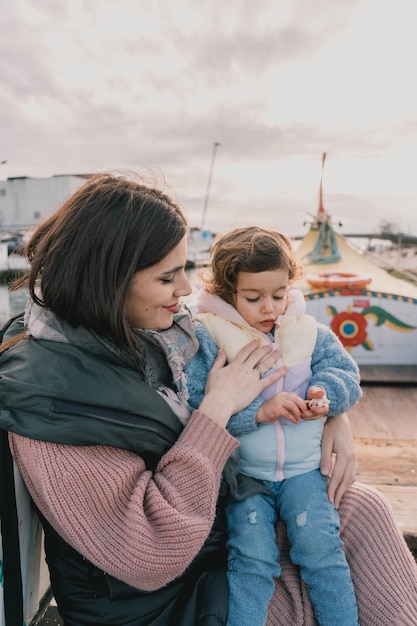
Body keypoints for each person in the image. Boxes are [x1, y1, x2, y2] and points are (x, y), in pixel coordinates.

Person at [0, 173, 416, 626]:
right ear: (109, 281)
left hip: (206, 545)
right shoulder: (52, 398)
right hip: (163, 604)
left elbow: (296, 371)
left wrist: (330, 414)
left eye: (185, 268)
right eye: (168, 276)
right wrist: (218, 410)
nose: (185, 289)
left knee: (360, 509)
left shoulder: (138, 340)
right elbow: (150, 553)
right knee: (341, 549)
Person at [184, 226, 362, 625]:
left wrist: (324, 393)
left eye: (278, 295)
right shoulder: (208, 337)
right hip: (244, 477)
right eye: (254, 297)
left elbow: (347, 376)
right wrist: (258, 413)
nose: (270, 308)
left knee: (322, 552)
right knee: (251, 559)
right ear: (228, 292)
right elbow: (195, 406)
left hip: (305, 472)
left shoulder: (309, 333)